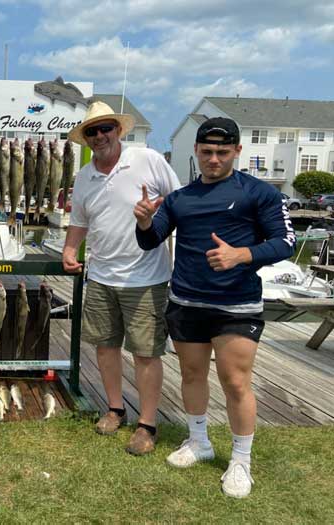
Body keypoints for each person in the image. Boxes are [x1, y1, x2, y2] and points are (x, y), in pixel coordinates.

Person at [135, 117, 296, 497]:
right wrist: (144, 223)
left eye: (223, 152)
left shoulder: (260, 193)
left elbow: (285, 242)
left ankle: (241, 460)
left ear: (237, 151)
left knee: (236, 381)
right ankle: (199, 441)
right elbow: (151, 241)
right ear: (196, 151)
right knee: (191, 376)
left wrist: (243, 254)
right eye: (207, 152)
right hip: (186, 301)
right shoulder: (179, 198)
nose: (214, 159)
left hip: (236, 305)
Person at [62, 101, 180, 455]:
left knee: (146, 353)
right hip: (100, 275)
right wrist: (70, 250)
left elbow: (178, 203)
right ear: (85, 139)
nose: (99, 136)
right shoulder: (84, 176)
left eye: (105, 128)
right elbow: (80, 221)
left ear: (119, 131)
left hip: (146, 277)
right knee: (106, 347)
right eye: (92, 132)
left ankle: (147, 424)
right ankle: (114, 407)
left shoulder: (147, 159)